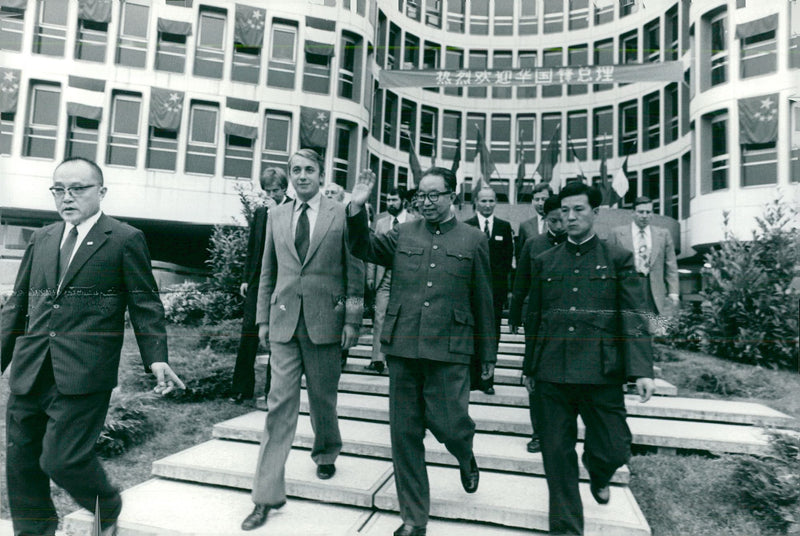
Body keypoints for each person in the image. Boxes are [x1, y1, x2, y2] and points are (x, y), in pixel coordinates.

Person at [1, 157, 185, 536]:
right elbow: (17, 305)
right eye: (59, 189)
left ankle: (108, 507)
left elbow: (144, 303)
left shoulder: (123, 238)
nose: (67, 197)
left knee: (61, 460)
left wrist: (157, 359)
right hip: (31, 369)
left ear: (101, 192)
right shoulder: (43, 237)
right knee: (21, 463)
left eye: (78, 189)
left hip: (84, 374)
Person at [347, 167, 496, 536]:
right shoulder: (403, 232)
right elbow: (362, 245)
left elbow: (485, 299)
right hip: (403, 346)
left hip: (451, 348)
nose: (426, 202)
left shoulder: (473, 239)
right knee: (405, 434)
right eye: (421, 196)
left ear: (452, 198)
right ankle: (414, 519)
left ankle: (464, 452)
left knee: (450, 423)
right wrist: (356, 207)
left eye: (434, 195)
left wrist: (487, 355)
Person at [521, 182, 655, 536]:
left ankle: (598, 472)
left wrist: (642, 370)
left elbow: (634, 315)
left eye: (579, 209)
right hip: (551, 372)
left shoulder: (617, 256)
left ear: (596, 213)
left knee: (615, 446)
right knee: (556, 457)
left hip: (602, 372)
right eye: (565, 210)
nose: (571, 216)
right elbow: (534, 315)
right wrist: (529, 368)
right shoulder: (544, 259)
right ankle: (566, 530)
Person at [241, 149, 364, 531]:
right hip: (282, 323)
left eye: (309, 170)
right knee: (279, 405)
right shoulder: (276, 214)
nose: (302, 176)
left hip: (327, 321)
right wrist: (262, 317)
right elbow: (267, 271)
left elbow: (355, 272)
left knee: (323, 398)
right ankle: (265, 496)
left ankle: (326, 451)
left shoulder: (340, 213)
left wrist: (352, 321)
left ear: (321, 175)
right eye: (296, 170)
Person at [508, 196, 567, 454]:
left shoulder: (576, 245)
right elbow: (520, 283)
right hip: (537, 320)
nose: (560, 224)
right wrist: (514, 315)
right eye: (554, 220)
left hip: (567, 322)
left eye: (563, 218)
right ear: (546, 219)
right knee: (535, 375)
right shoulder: (533, 244)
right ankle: (538, 433)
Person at [230, 167, 292, 405]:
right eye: (267, 190)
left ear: (284, 188)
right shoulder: (260, 212)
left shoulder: (293, 209)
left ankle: (271, 391)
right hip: (258, 282)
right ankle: (241, 388)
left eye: (275, 190)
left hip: (282, 281)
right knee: (248, 334)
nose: (270, 194)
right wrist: (247, 278)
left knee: (276, 338)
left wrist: (278, 213)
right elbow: (252, 248)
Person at [464, 186, 513, 395]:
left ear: (495, 202)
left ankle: (487, 380)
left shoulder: (504, 227)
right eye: (483, 201)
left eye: (491, 201)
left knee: (492, 335)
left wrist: (506, 291)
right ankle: (470, 378)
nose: (487, 205)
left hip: (495, 293)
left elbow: (507, 262)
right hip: (470, 292)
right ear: (476, 201)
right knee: (470, 333)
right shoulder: (466, 226)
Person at [606, 196, 679, 321]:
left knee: (652, 326)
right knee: (629, 324)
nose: (644, 216)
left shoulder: (663, 234)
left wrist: (673, 292)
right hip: (627, 287)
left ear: (652, 214)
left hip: (653, 289)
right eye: (641, 212)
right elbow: (608, 265)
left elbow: (671, 266)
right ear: (633, 213)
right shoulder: (616, 233)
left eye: (648, 212)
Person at [364, 188, 413, 374]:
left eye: (394, 200)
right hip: (383, 277)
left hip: (406, 278)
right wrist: (370, 276)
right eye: (388, 199)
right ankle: (377, 360)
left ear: (403, 202)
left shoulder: (414, 221)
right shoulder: (381, 222)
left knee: (404, 318)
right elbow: (372, 250)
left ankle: (400, 359)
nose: (390, 203)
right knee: (379, 317)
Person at [516, 182, 553, 264]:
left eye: (544, 199)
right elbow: (520, 255)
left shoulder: (559, 223)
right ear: (532, 201)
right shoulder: (525, 226)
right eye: (537, 200)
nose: (540, 203)